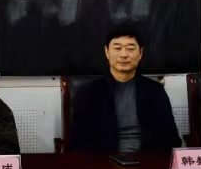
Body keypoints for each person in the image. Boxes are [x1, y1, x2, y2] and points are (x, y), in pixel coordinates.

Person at [69, 22, 181, 154]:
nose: (124, 55)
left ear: (140, 53)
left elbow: (171, 139)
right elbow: (79, 142)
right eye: (117, 48)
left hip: (146, 161)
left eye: (130, 49)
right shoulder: (88, 93)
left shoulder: (155, 91)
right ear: (107, 52)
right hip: (104, 162)